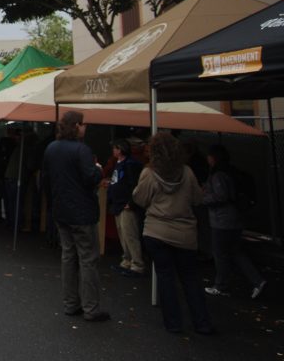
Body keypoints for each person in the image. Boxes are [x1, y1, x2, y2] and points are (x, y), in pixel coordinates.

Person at [133, 132, 214, 334]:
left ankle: (173, 323)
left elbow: (140, 199)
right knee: (190, 278)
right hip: (184, 233)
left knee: (165, 277)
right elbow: (197, 199)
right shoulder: (187, 172)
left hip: (156, 231)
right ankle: (202, 322)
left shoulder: (149, 173)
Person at [41, 110, 109, 322]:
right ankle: (91, 308)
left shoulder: (51, 148)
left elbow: (45, 179)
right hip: (82, 213)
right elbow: (90, 178)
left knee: (68, 257)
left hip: (61, 211)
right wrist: (98, 170)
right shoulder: (82, 150)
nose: (85, 127)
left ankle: (71, 304)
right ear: (76, 126)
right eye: (83, 124)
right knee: (88, 259)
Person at [203, 144, 267, 299]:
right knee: (235, 251)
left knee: (220, 252)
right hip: (235, 217)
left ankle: (221, 285)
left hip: (222, 220)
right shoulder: (231, 171)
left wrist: (203, 197)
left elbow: (220, 196)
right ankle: (256, 280)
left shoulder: (218, 175)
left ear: (213, 157)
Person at [103, 139, 145, 277]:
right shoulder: (120, 163)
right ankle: (127, 260)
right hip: (118, 203)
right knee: (123, 233)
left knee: (130, 234)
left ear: (120, 149)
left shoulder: (131, 164)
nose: (113, 151)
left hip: (125, 203)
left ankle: (137, 263)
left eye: (115, 148)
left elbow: (135, 185)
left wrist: (131, 202)